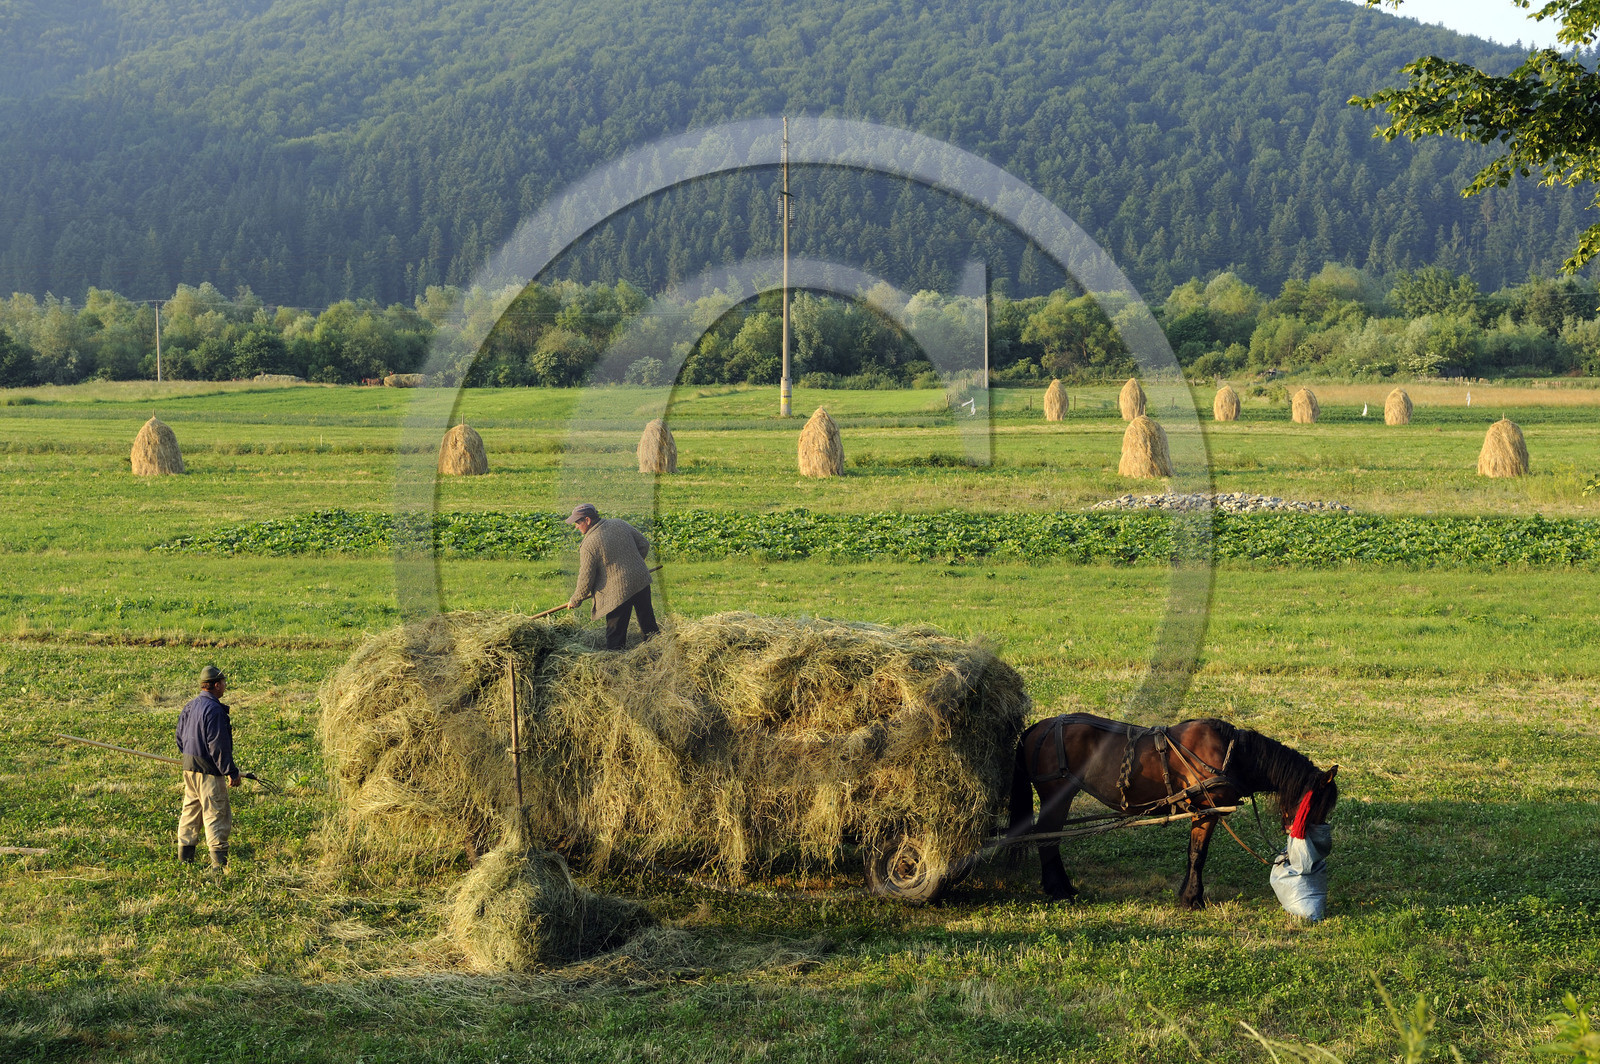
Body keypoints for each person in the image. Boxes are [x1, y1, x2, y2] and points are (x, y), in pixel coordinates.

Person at [565, 503, 659, 650]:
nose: (576, 527)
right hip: (641, 580)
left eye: (578, 522)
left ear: (588, 520)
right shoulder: (620, 523)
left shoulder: (589, 544)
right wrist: (632, 566)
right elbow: (644, 544)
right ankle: (660, 655)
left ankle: (616, 665)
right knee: (649, 625)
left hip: (618, 593)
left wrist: (575, 599)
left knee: (615, 635)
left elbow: (586, 578)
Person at [175, 664, 240, 869]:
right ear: (216, 685)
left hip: (189, 766)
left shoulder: (190, 705)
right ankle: (218, 866)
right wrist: (230, 771)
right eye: (224, 683)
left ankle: (185, 860)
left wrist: (190, 758)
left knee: (190, 811)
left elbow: (180, 737)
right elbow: (218, 745)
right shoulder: (214, 710)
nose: (225, 686)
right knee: (215, 813)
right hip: (208, 771)